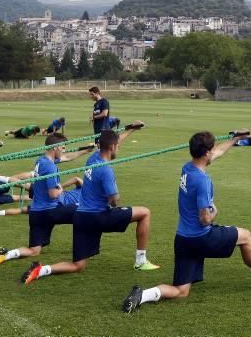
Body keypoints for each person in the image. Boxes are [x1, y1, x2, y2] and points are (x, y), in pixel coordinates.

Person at [121, 131, 251, 313]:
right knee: (246, 236)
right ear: (206, 153)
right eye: (212, 149)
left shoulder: (187, 168)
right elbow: (205, 219)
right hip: (201, 238)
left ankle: (142, 295)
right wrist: (214, 210)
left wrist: (235, 139)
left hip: (183, 240)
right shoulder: (203, 180)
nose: (215, 151)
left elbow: (218, 152)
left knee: (181, 291)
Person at [20, 122, 159, 285]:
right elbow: (114, 202)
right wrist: (114, 199)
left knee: (78, 266)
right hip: (99, 218)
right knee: (144, 213)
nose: (118, 148)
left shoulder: (92, 158)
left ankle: (41, 270)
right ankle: (140, 261)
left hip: (81, 217)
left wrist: (130, 130)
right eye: (117, 147)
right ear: (112, 148)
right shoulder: (106, 169)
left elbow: (111, 141)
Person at [0, 133, 91, 268]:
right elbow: (53, 194)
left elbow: (67, 157)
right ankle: (81, 257)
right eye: (63, 147)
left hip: (36, 213)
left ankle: (6, 255)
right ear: (55, 148)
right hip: (50, 211)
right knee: (85, 213)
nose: (64, 150)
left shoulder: (41, 161)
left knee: (34, 250)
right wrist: (60, 188)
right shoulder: (51, 167)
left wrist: (85, 151)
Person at [0, 177, 83, 217]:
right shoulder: (92, 199)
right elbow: (76, 179)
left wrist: (59, 188)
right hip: (54, 205)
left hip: (52, 200)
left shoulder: (87, 192)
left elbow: (76, 179)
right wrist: (59, 189)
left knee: (24, 185)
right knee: (22, 210)